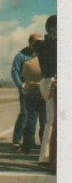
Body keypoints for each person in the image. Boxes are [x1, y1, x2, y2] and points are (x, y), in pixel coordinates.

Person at [11, 34, 42, 150]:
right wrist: (21, 85)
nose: (37, 45)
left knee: (41, 117)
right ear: (29, 43)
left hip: (40, 88)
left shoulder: (42, 53)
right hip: (26, 88)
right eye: (35, 42)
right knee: (25, 114)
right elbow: (14, 72)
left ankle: (35, 142)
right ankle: (17, 140)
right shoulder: (21, 56)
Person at [35, 15, 57, 170]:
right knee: (53, 121)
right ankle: (46, 157)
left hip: (46, 81)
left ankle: (45, 156)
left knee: (51, 120)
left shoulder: (40, 44)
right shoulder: (53, 44)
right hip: (53, 81)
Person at [21, 54, 46, 154]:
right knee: (44, 121)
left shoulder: (27, 63)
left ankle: (27, 147)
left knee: (31, 120)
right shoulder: (45, 62)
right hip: (43, 93)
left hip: (30, 93)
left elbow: (24, 77)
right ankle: (44, 147)